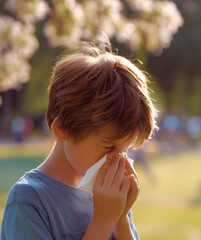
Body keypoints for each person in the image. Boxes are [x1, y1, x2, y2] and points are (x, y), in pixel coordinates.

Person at [1, 37, 157, 239]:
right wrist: (103, 221)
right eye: (109, 145)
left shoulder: (109, 196)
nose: (118, 159)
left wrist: (121, 217)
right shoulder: (29, 201)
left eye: (125, 148)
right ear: (63, 128)